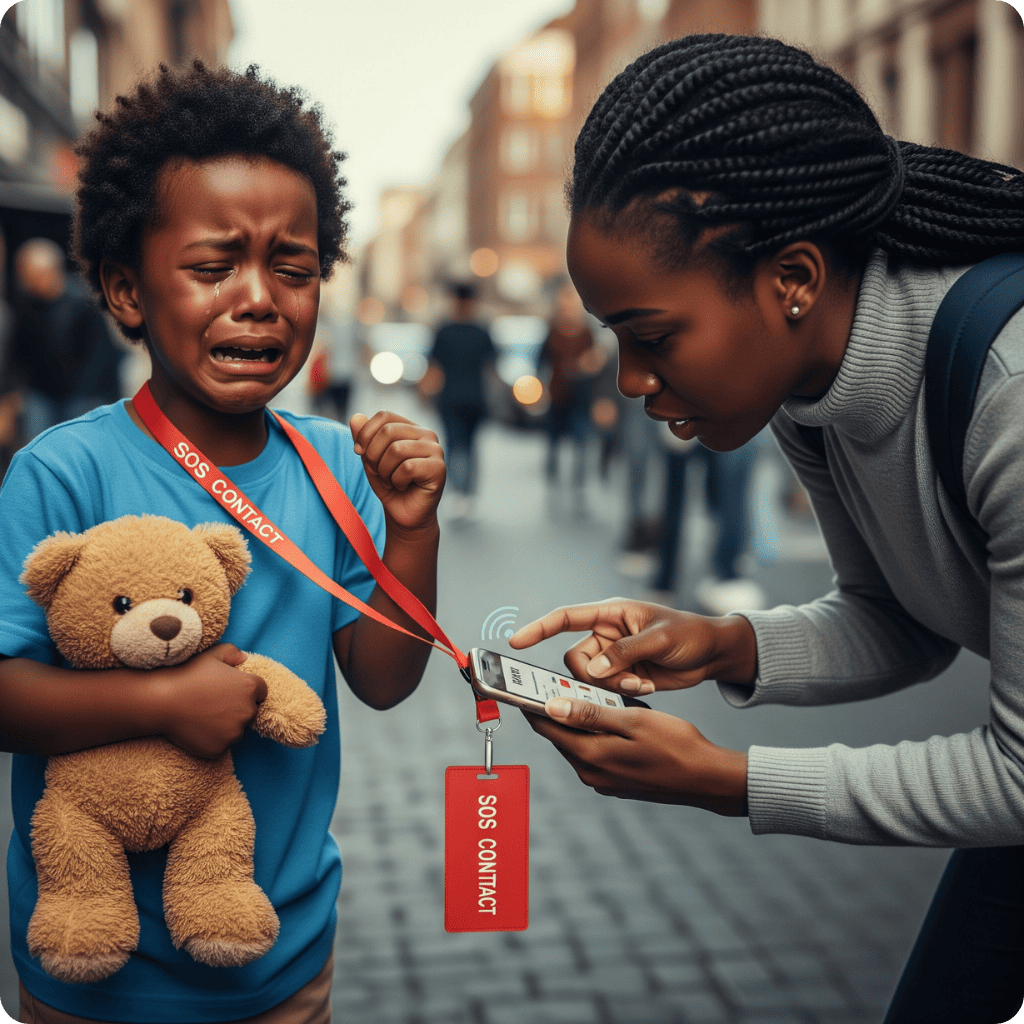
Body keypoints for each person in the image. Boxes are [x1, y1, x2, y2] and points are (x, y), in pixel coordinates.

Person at [508, 33, 1024, 1023]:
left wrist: (727, 781)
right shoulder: (809, 388)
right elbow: (899, 619)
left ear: (791, 277)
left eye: (652, 336)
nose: (628, 381)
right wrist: (724, 644)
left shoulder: (1007, 387)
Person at [0, 62, 445, 1024]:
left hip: (281, 958)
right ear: (126, 289)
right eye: (212, 267)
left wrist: (413, 532)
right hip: (93, 969)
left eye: (293, 267)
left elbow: (384, 676)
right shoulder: (60, 473)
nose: (259, 297)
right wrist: (162, 701)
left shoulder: (333, 465)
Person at [10, 237, 124, 439]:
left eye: (33, 276)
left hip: (80, 394)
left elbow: (100, 356)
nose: (27, 282)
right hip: (42, 392)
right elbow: (21, 354)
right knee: (36, 437)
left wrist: (85, 394)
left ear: (52, 271)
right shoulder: (26, 306)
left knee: (74, 439)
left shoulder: (82, 303)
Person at [426, 281, 495, 519]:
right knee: (471, 446)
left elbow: (434, 369)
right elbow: (492, 367)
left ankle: (459, 495)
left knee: (455, 446)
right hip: (477, 398)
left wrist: (426, 394)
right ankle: (468, 494)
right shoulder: (482, 330)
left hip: (450, 399)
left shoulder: (444, 330)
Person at [537, 284, 599, 492]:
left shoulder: (587, 333)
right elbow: (541, 361)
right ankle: (552, 476)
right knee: (553, 439)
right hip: (558, 393)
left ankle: (578, 484)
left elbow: (597, 362)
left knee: (581, 441)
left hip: (582, 395)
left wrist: (588, 365)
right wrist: (541, 389)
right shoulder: (552, 329)